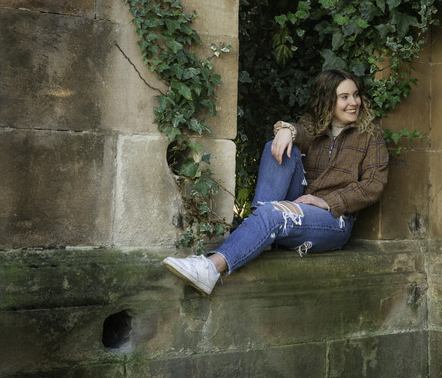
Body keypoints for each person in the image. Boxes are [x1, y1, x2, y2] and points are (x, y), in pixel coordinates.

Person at [163, 69, 389, 295]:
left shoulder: (370, 136)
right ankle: (262, 228)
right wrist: (287, 131)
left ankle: (211, 268)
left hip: (334, 221)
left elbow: (373, 185)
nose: (354, 103)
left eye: (355, 95)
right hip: (300, 206)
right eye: (344, 97)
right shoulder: (315, 125)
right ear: (328, 101)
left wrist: (328, 201)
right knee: (277, 147)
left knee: (273, 213)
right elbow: (301, 131)